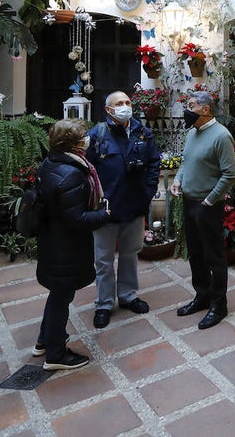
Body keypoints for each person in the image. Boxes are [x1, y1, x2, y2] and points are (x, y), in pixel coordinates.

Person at [34, 119, 111, 370]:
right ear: (72, 143)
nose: (86, 139)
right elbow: (76, 219)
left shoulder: (51, 163)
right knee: (61, 296)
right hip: (65, 247)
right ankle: (56, 355)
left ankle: (45, 340)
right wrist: (105, 215)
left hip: (52, 242)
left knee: (57, 293)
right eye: (82, 136)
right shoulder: (71, 173)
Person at [87, 90, 161, 329]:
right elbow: (87, 170)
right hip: (105, 209)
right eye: (119, 103)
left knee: (130, 254)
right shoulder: (96, 135)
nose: (125, 106)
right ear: (108, 110)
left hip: (134, 205)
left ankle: (128, 295)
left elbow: (153, 163)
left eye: (128, 102)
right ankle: (104, 304)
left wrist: (148, 192)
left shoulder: (143, 132)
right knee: (104, 260)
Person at [173, 91, 235, 329]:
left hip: (207, 206)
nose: (186, 110)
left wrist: (210, 200)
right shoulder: (193, 133)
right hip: (189, 202)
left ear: (206, 109)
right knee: (196, 254)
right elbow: (185, 162)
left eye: (191, 105)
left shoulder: (221, 136)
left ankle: (219, 304)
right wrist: (178, 180)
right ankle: (202, 296)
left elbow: (230, 174)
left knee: (213, 256)